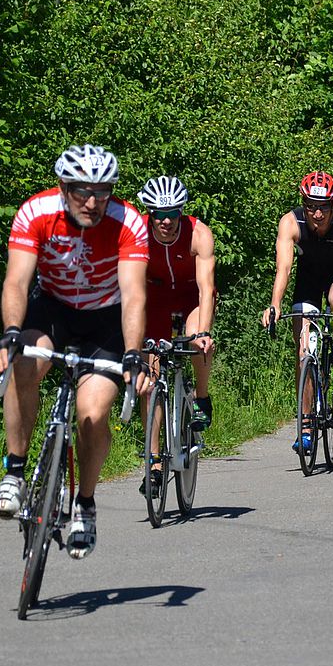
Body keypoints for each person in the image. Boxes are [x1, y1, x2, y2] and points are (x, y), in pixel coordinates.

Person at [0, 144, 151, 558]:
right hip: (54, 309)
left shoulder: (128, 220)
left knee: (93, 415)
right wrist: (10, 331)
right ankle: (16, 471)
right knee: (23, 362)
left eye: (103, 191)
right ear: (63, 187)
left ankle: (86, 503)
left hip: (105, 320)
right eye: (82, 191)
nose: (93, 202)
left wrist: (133, 353)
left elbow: (134, 294)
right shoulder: (35, 212)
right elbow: (16, 281)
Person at [260, 171, 333, 451]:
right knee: (304, 353)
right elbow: (284, 269)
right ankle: (305, 426)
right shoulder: (291, 222)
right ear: (303, 204)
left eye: (324, 207)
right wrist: (275, 304)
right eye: (311, 206)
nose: (317, 214)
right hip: (306, 282)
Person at [137, 175, 217, 499]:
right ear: (150, 213)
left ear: (182, 212)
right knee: (150, 380)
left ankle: (201, 396)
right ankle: (154, 463)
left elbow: (206, 289)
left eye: (172, 213)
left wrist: (205, 333)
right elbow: (131, 288)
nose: (166, 221)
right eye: (158, 214)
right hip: (155, 300)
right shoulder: (138, 235)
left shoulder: (199, 234)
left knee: (197, 338)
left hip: (190, 298)